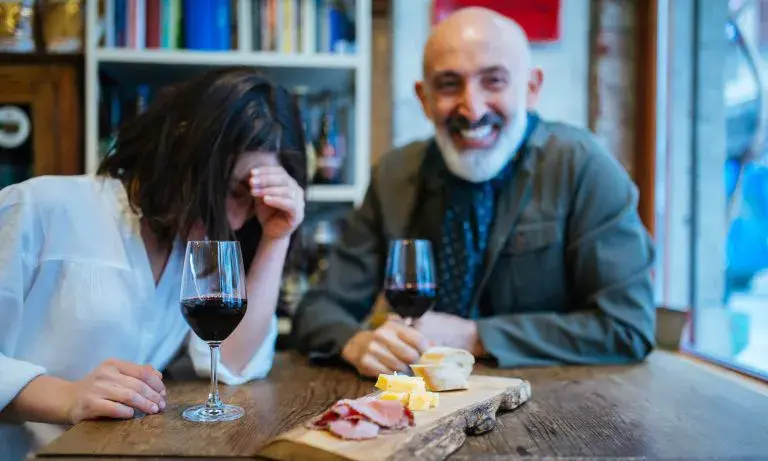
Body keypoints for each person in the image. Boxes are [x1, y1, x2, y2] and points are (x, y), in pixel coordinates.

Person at [292, 7, 656, 377]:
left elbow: (627, 327)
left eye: (493, 81)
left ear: (531, 88)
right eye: (449, 84)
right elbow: (317, 310)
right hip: (424, 409)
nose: (473, 108)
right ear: (424, 98)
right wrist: (356, 343)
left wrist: (475, 337)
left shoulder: (583, 167)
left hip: (560, 411)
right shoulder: (393, 175)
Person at [0, 68, 306, 459]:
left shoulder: (193, 248)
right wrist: (66, 395)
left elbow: (230, 364)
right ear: (182, 144)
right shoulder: (40, 207)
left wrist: (276, 237)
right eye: (232, 191)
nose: (235, 220)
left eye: (254, 200)